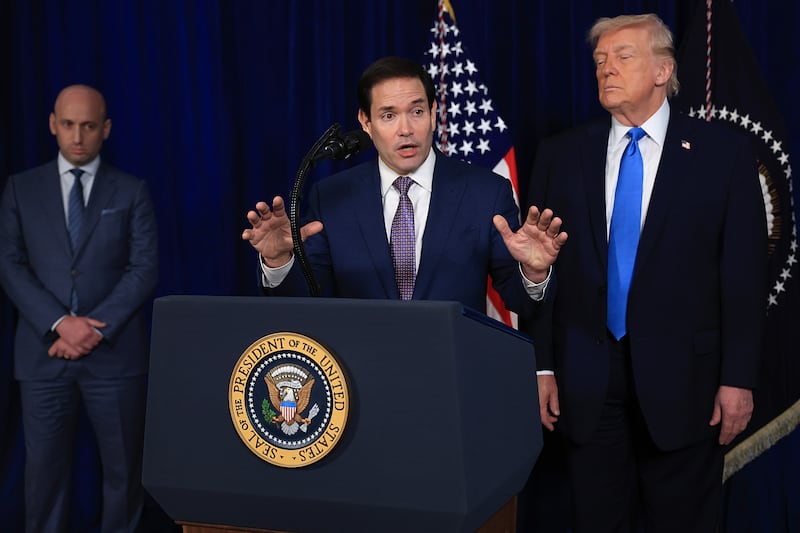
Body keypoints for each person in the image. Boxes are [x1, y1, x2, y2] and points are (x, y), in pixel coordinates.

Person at [525, 14, 767, 532]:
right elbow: (543, 272)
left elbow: (743, 276)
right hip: (587, 382)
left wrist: (738, 379)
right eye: (598, 61)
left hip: (690, 384)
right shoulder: (560, 155)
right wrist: (542, 365)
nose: (606, 69)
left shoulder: (722, 154)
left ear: (663, 70)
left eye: (622, 57)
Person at [242, 56, 566, 315]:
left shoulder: (486, 192)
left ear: (434, 113)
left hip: (452, 376)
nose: (406, 129)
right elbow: (305, 300)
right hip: (363, 379)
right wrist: (279, 262)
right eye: (388, 116)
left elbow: (520, 302)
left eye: (416, 111)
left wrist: (533, 274)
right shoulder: (331, 198)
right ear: (365, 123)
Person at [0, 84, 159, 532]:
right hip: (42, 355)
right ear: (53, 124)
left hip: (114, 357)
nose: (77, 135)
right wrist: (60, 324)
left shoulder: (132, 191)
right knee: (43, 478)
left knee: (123, 476)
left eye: (88, 125)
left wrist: (92, 329)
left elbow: (144, 269)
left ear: (105, 129)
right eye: (68, 124)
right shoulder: (20, 189)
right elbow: (9, 266)